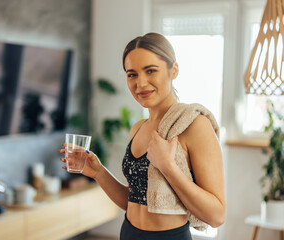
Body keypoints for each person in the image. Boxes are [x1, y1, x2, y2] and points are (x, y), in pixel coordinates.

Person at [60, 32, 225, 240]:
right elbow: (134, 201)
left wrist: (168, 167)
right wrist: (98, 172)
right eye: (132, 74)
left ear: (173, 70)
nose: (141, 83)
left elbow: (217, 215)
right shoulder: (138, 128)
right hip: (129, 233)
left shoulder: (194, 125)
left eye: (150, 71)